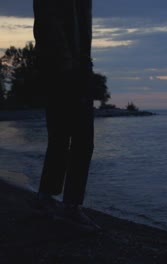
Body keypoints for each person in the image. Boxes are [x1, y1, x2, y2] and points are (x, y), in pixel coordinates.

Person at [33, 0, 100, 231]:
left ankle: (45, 198)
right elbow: (50, 23)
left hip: (64, 66)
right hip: (67, 68)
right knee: (82, 139)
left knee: (61, 138)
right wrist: (72, 66)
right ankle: (70, 206)